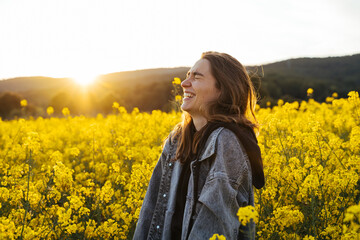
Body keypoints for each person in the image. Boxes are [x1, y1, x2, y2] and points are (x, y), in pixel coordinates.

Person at [133, 51, 265, 240]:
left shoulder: (226, 142)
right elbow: (151, 209)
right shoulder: (176, 139)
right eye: (188, 76)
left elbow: (212, 226)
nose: (184, 83)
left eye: (197, 77)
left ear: (222, 89)